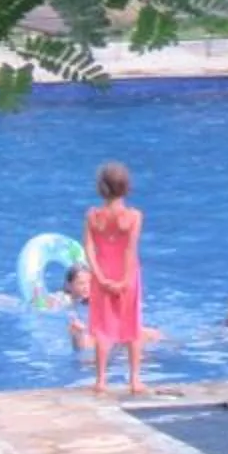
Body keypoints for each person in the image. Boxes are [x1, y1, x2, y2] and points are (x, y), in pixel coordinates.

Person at [80, 160, 146, 394]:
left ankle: (100, 380)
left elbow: (88, 248)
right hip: (127, 274)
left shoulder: (92, 216)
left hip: (102, 273)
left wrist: (99, 277)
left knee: (102, 328)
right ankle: (135, 379)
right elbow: (130, 248)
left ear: (101, 188)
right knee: (132, 325)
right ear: (126, 187)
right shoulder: (134, 216)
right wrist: (125, 280)